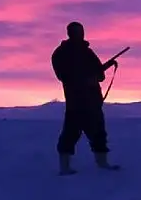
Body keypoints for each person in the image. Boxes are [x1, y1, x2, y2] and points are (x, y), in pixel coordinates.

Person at [51, 21, 120, 175]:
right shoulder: (61, 53)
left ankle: (103, 164)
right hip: (75, 102)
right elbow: (63, 76)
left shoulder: (88, 52)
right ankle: (64, 168)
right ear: (69, 33)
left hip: (93, 101)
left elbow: (99, 74)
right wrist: (85, 80)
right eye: (76, 32)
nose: (80, 35)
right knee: (70, 133)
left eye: (81, 31)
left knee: (99, 133)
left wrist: (104, 68)